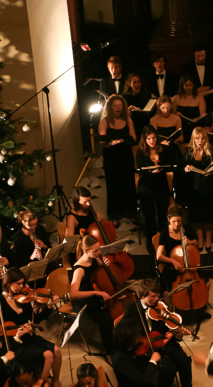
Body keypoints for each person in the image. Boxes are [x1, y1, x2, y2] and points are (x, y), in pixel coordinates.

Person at [0, 267, 63, 387]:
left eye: (23, 283)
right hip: (14, 344)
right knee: (49, 355)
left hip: (28, 338)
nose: (22, 286)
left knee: (56, 351)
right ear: (9, 284)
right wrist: (17, 334)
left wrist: (49, 306)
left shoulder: (23, 298)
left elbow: (34, 320)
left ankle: (56, 381)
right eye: (18, 284)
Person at [123, 278, 195, 387]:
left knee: (184, 361)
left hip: (165, 341)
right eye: (153, 296)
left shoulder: (160, 306)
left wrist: (177, 332)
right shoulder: (131, 308)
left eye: (157, 295)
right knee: (168, 368)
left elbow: (168, 326)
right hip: (147, 346)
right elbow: (126, 331)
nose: (157, 299)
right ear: (143, 295)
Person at [70, 236, 115, 363]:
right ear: (86, 251)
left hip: (97, 295)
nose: (99, 252)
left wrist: (106, 265)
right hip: (83, 301)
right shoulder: (79, 269)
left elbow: (100, 275)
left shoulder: (95, 258)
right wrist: (96, 292)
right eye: (95, 251)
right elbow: (73, 294)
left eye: (99, 249)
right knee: (106, 320)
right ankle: (110, 352)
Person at [112, 318, 181, 387]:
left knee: (169, 368)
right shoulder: (119, 360)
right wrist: (153, 361)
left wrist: (161, 343)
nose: (141, 337)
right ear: (129, 340)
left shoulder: (131, 346)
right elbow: (143, 380)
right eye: (137, 336)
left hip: (144, 386)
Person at [98, 95, 137, 228]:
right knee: (113, 185)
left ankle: (131, 212)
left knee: (129, 184)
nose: (118, 108)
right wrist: (112, 143)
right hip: (111, 157)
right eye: (115, 106)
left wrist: (125, 140)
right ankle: (114, 215)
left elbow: (134, 138)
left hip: (126, 156)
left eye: (120, 105)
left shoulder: (128, 120)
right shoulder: (104, 121)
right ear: (110, 108)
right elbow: (102, 142)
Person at [136, 126, 173, 250]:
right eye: (149, 139)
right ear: (144, 140)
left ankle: (164, 242)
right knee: (150, 217)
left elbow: (170, 165)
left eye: (153, 138)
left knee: (163, 215)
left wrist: (161, 167)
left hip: (161, 184)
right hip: (147, 185)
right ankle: (151, 244)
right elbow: (141, 173)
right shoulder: (140, 152)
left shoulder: (162, 149)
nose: (152, 141)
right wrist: (151, 172)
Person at [184, 127, 213, 252]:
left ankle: (208, 237)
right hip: (193, 187)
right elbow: (183, 167)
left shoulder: (211, 150)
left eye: (203, 138)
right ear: (193, 138)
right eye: (198, 138)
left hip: (208, 185)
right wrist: (186, 169)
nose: (200, 141)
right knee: (196, 214)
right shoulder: (188, 151)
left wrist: (212, 172)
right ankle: (199, 238)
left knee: (208, 213)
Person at [155, 204, 200, 294]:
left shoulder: (186, 228)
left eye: (179, 221)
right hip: (172, 265)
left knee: (206, 283)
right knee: (166, 292)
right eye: (174, 221)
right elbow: (158, 256)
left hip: (189, 263)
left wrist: (191, 242)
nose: (177, 224)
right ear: (168, 219)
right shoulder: (165, 233)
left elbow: (197, 244)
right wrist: (172, 260)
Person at [173, 74, 207, 143]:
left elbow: (203, 116)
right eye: (186, 86)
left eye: (190, 85)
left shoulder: (200, 97)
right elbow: (172, 116)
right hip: (182, 128)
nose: (189, 88)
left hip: (196, 128)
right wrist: (176, 115)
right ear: (182, 86)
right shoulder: (176, 98)